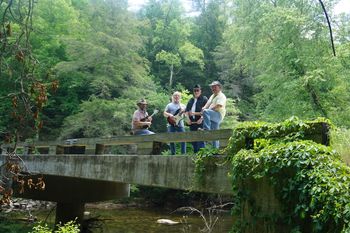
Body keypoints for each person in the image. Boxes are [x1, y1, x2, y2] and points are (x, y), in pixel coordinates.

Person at [201, 81, 227, 148]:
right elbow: (207, 104)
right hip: (212, 115)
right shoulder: (212, 96)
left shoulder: (221, 96)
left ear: (219, 87)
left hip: (218, 115)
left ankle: (206, 130)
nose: (213, 88)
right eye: (212, 87)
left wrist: (206, 110)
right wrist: (203, 108)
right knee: (215, 134)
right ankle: (216, 150)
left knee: (206, 112)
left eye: (215, 87)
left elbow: (219, 106)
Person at [185, 84, 208, 153]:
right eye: (195, 90)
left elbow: (206, 111)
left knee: (200, 141)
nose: (196, 92)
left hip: (201, 123)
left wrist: (201, 118)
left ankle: (201, 158)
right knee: (193, 141)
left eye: (197, 90)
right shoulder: (191, 100)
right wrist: (187, 119)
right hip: (192, 123)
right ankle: (195, 158)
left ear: (200, 91)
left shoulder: (204, 99)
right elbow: (186, 111)